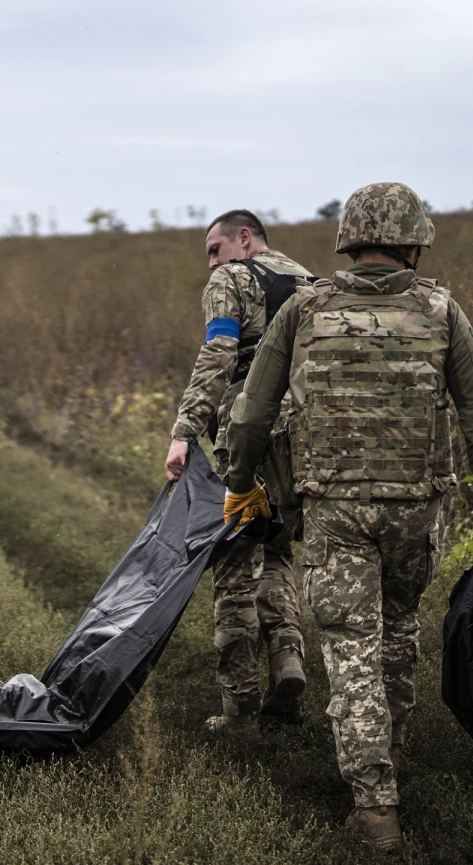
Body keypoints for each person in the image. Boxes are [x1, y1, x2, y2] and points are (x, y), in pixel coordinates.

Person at [220, 182, 473, 852]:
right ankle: (388, 759)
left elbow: (250, 415)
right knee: (398, 630)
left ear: (347, 240)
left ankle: (373, 803)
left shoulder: (303, 310)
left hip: (334, 508)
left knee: (350, 642)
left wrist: (241, 485)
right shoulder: (443, 311)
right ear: (415, 241)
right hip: (419, 509)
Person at [164, 210, 313, 735]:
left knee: (232, 565)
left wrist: (185, 430)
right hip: (307, 445)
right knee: (277, 550)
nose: (210, 263)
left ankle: (240, 711)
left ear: (243, 239)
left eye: (213, 249)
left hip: (250, 439)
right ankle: (289, 661)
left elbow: (218, 353)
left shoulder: (231, 279)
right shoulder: (312, 284)